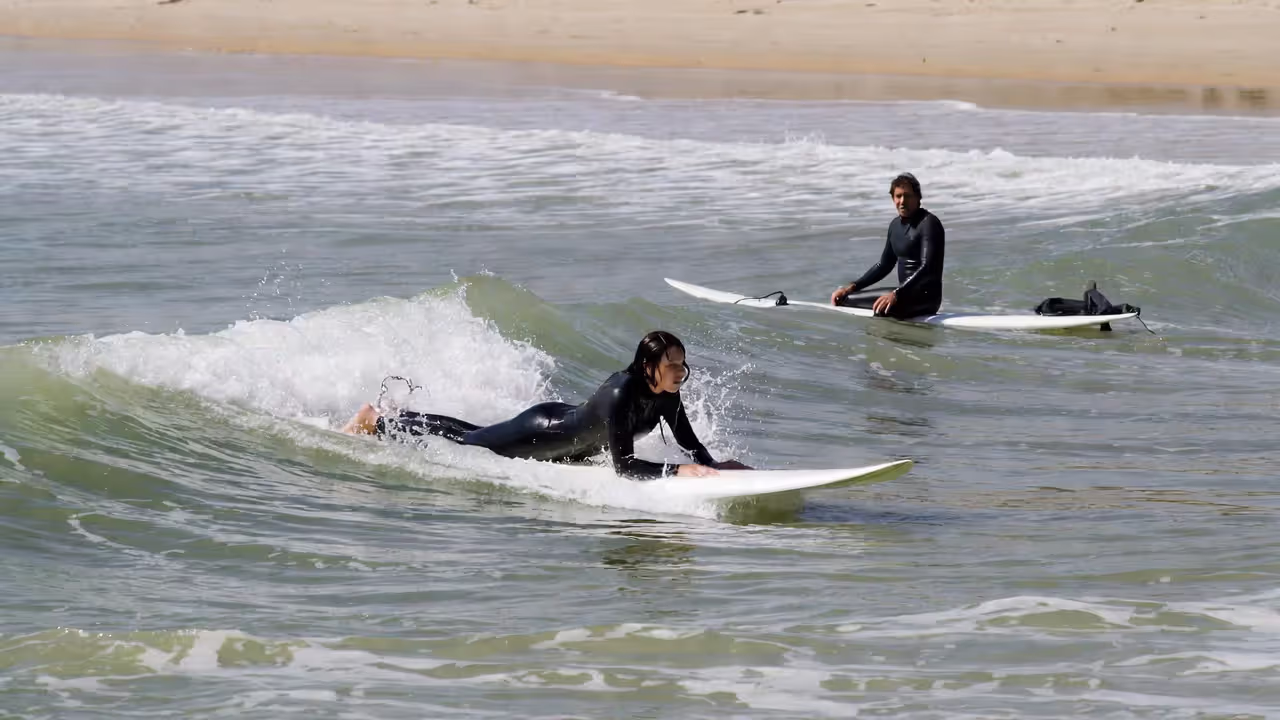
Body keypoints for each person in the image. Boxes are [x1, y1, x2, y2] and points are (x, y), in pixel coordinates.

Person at [342, 330, 752, 480]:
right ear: (649, 367)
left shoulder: (666, 393)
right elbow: (625, 467)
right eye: (673, 365)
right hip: (543, 432)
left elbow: (689, 441)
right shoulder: (622, 393)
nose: (681, 372)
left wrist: (713, 465)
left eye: (683, 365)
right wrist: (680, 472)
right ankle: (377, 422)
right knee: (470, 440)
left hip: (569, 443)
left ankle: (387, 416)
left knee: (472, 431)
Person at [830, 173, 945, 319]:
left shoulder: (929, 223)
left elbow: (927, 268)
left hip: (926, 298)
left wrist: (897, 294)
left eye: (907, 196)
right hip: (903, 294)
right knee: (845, 299)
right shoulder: (895, 226)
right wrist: (851, 287)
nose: (902, 201)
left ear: (918, 198)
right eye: (898, 196)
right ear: (893, 199)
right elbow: (884, 265)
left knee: (882, 309)